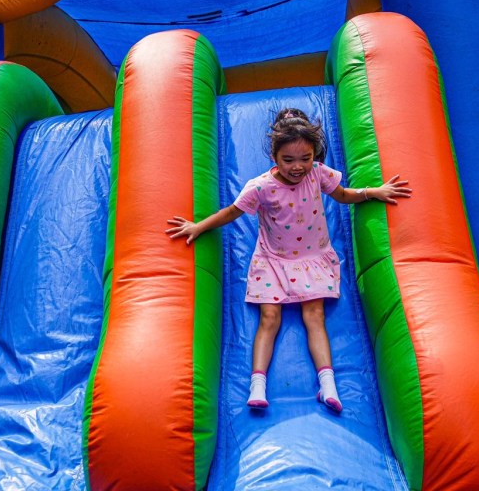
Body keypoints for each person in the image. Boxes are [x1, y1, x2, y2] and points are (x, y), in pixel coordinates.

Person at [165, 108, 411, 413]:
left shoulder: (318, 173)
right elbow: (231, 212)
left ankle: (328, 385)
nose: (298, 167)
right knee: (270, 318)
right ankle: (257, 385)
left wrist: (375, 191)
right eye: (289, 160)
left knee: (314, 315)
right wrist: (198, 226)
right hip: (274, 260)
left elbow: (344, 195)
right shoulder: (260, 188)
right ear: (274, 156)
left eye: (305, 158)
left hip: (313, 257)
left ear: (314, 155)